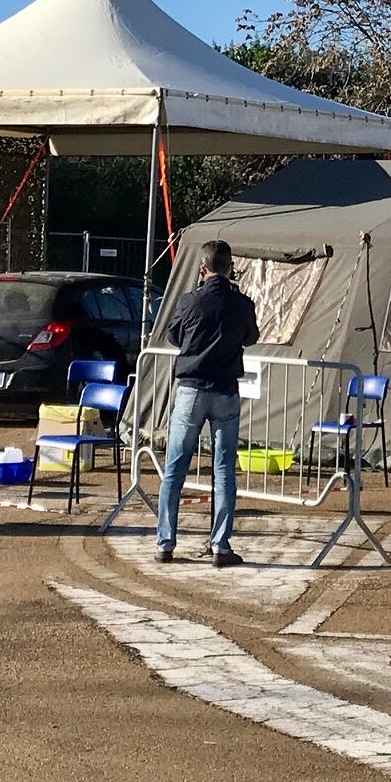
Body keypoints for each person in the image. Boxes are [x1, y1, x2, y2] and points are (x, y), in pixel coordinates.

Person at [157, 240, 260, 568]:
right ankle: (220, 546)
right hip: (226, 390)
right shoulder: (243, 303)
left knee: (174, 468)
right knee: (224, 469)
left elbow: (173, 337)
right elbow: (250, 337)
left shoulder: (189, 301)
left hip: (190, 390)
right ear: (230, 267)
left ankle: (165, 542)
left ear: (202, 269)